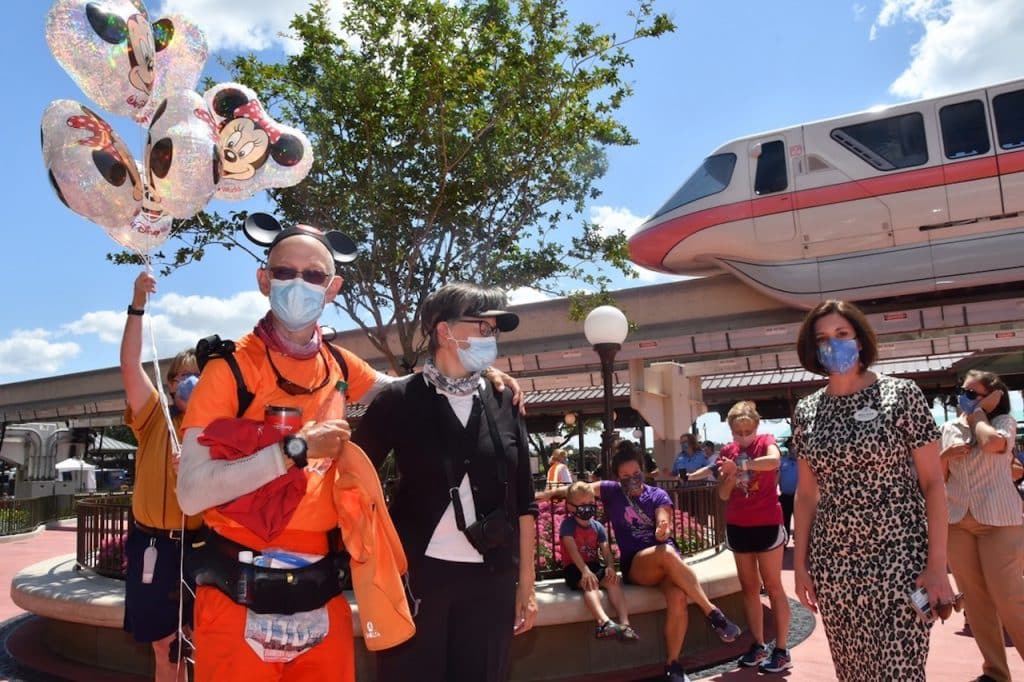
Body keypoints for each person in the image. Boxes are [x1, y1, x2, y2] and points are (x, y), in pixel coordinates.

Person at [176, 221, 521, 681]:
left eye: (314, 275)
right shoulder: (230, 371)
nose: (299, 284)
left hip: (322, 594)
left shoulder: (339, 364)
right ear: (264, 280)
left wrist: (485, 381)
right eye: (285, 272)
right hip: (240, 592)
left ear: (333, 288)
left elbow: (413, 388)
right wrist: (294, 449)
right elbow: (191, 494)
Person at [352, 282, 537, 682]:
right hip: (419, 582)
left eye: (494, 330)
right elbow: (352, 479)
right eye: (481, 326)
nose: (491, 337)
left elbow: (525, 501)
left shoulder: (505, 400)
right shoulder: (399, 401)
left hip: (493, 581)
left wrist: (527, 586)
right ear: (443, 331)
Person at [791, 299, 954, 682]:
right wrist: (800, 565)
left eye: (842, 334)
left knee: (900, 671)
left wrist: (937, 566)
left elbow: (933, 482)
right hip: (835, 563)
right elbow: (806, 495)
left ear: (860, 340)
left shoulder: (902, 395)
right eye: (823, 338)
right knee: (854, 671)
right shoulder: (808, 410)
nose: (833, 344)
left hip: (901, 557)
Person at [540, 440, 741, 682]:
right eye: (625, 475)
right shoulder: (611, 491)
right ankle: (712, 613)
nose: (632, 479)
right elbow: (574, 490)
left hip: (665, 561)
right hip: (638, 565)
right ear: (617, 477)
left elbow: (662, 516)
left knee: (677, 595)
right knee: (665, 553)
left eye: (636, 473)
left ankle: (673, 666)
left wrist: (662, 527)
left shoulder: (657, 495)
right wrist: (536, 497)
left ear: (643, 471)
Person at [120, 271, 202, 682]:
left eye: (196, 376)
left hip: (202, 547)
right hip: (153, 544)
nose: (185, 384)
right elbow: (131, 365)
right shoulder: (155, 417)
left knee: (202, 643)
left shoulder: (223, 428)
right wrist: (138, 303)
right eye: (178, 377)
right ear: (169, 385)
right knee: (164, 647)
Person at [940, 370, 1024, 682]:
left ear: (995, 396)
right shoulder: (948, 428)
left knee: (1009, 597)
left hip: (999, 520)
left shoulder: (1003, 423)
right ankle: (995, 672)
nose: (965, 397)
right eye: (964, 392)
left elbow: (993, 446)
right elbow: (936, 477)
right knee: (975, 601)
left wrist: (976, 416)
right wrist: (946, 454)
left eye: (974, 393)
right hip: (958, 520)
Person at [715, 401, 791, 673]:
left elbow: (773, 461)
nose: (743, 435)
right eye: (738, 431)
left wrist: (742, 464)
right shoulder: (727, 452)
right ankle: (758, 645)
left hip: (767, 523)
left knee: (773, 586)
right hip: (739, 525)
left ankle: (781, 649)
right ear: (731, 430)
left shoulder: (765, 442)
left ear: (756, 427)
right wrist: (732, 477)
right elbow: (723, 494)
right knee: (749, 588)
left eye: (748, 430)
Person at [559, 481, 637, 641]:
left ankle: (625, 624)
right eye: (582, 504)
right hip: (574, 568)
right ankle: (603, 623)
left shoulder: (598, 527)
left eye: (590, 503)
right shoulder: (567, 526)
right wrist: (585, 572)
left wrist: (610, 567)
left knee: (613, 582)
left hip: (593, 565)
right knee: (590, 584)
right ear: (571, 507)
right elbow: (572, 550)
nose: (587, 507)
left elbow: (606, 550)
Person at [777, 442, 798, 541]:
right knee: (784, 520)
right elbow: (777, 477)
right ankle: (784, 542)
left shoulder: (803, 462)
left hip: (799, 497)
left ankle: (798, 540)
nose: (793, 449)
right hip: (785, 496)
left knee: (800, 520)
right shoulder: (782, 461)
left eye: (795, 447)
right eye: (791, 447)